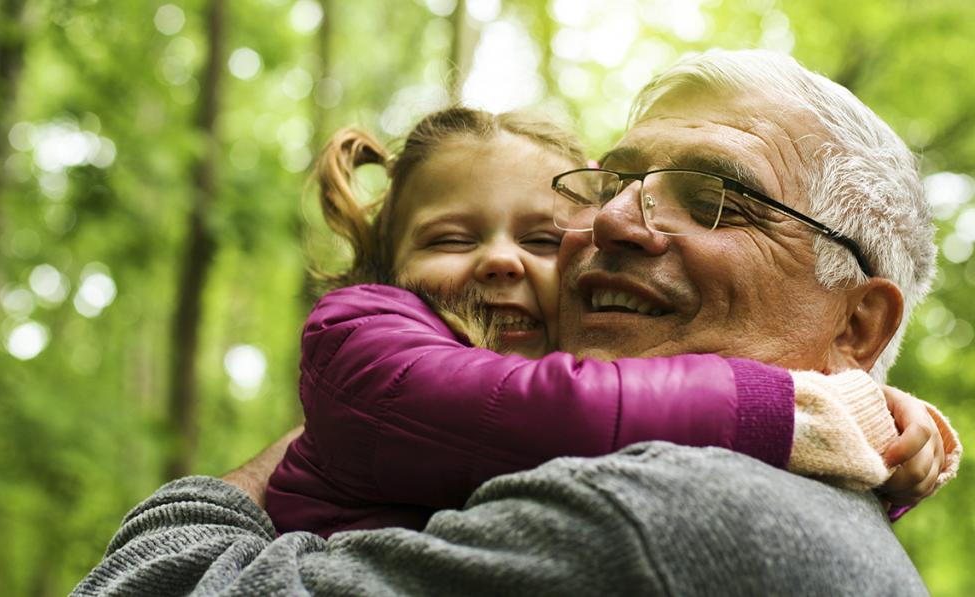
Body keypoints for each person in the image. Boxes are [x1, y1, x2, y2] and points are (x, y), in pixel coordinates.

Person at [71, 49, 962, 596]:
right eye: (612, 185)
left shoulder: (660, 517)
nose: (607, 222)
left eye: (714, 198)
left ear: (857, 329)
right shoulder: (794, 498)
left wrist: (220, 495)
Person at [265, 107, 954, 538]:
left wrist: (878, 455)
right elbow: (555, 413)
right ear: (386, 264)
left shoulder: (572, 371)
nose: (501, 260)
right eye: (450, 239)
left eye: (541, 241)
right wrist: (801, 416)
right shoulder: (359, 333)